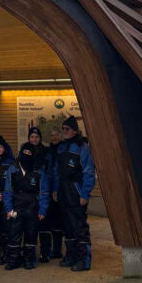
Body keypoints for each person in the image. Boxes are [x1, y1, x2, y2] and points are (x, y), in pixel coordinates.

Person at [52, 116, 95, 271]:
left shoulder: (82, 147)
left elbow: (89, 172)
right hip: (63, 191)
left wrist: (85, 194)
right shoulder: (61, 148)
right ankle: (71, 255)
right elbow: (57, 171)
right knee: (67, 226)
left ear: (74, 131)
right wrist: (56, 189)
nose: (64, 132)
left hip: (76, 191)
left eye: (67, 129)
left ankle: (84, 259)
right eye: (63, 129)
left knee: (79, 226)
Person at [3, 141, 50, 271]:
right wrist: (8, 208)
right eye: (25, 152)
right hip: (16, 205)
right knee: (14, 234)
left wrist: (42, 209)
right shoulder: (13, 169)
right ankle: (13, 260)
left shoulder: (39, 172)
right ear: (21, 153)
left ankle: (29, 260)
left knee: (31, 233)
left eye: (30, 153)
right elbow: (7, 190)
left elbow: (44, 192)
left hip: (32, 206)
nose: (27, 155)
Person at [27, 126, 51, 263]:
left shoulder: (46, 152)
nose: (34, 139)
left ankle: (45, 252)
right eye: (32, 137)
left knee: (44, 223)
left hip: (43, 188)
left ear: (40, 138)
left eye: (37, 137)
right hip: (29, 192)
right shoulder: (25, 151)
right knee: (31, 224)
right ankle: (30, 252)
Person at [46, 127, 63, 260]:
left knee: (60, 220)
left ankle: (58, 249)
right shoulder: (48, 151)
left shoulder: (63, 149)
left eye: (56, 135)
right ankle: (52, 249)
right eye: (52, 135)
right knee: (51, 220)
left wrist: (57, 189)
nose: (54, 137)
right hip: (49, 190)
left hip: (62, 190)